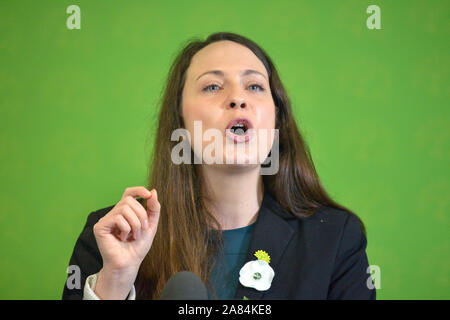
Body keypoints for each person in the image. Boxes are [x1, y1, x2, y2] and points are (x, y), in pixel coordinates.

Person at [62, 32, 376, 300]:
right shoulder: (110, 237)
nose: (238, 98)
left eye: (254, 87)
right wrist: (115, 280)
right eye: (212, 86)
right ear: (180, 121)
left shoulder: (336, 239)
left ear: (276, 118)